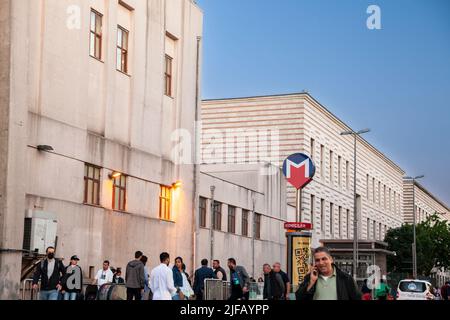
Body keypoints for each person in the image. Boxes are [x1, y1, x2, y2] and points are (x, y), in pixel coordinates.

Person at [295, 247, 362, 300]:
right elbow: (299, 297)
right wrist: (311, 283)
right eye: (317, 260)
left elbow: (357, 298)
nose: (321, 263)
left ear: (331, 260)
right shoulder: (309, 278)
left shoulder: (345, 278)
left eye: (324, 259)